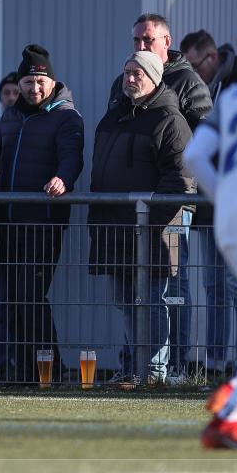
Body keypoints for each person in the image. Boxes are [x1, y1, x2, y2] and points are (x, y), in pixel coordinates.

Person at [108, 14, 212, 383]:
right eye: (135, 39)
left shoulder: (186, 82)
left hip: (171, 204)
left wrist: (175, 195)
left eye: (147, 40)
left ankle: (174, 368)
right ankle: (133, 366)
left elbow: (202, 139)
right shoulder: (121, 84)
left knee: (170, 288)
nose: (139, 46)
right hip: (128, 209)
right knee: (130, 292)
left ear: (165, 41)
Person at [88, 51, 194, 386]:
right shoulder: (113, 116)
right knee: (125, 303)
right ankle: (135, 368)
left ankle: (155, 372)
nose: (129, 79)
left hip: (150, 232)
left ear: (153, 78)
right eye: (126, 72)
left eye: (137, 73)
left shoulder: (169, 119)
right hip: (114, 228)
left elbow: (180, 180)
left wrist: (148, 220)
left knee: (150, 302)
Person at [186, 18, 237, 451]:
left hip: (232, 219)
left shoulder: (235, 94)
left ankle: (234, 399)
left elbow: (195, 154)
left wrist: (230, 197)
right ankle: (232, 411)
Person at [0, 44, 84, 383]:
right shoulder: (11, 116)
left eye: (40, 82)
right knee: (13, 299)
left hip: (43, 221)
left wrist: (64, 178)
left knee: (31, 296)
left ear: (52, 82)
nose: (34, 88)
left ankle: (50, 369)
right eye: (28, 82)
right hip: (8, 221)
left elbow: (72, 156)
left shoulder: (66, 116)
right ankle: (23, 371)